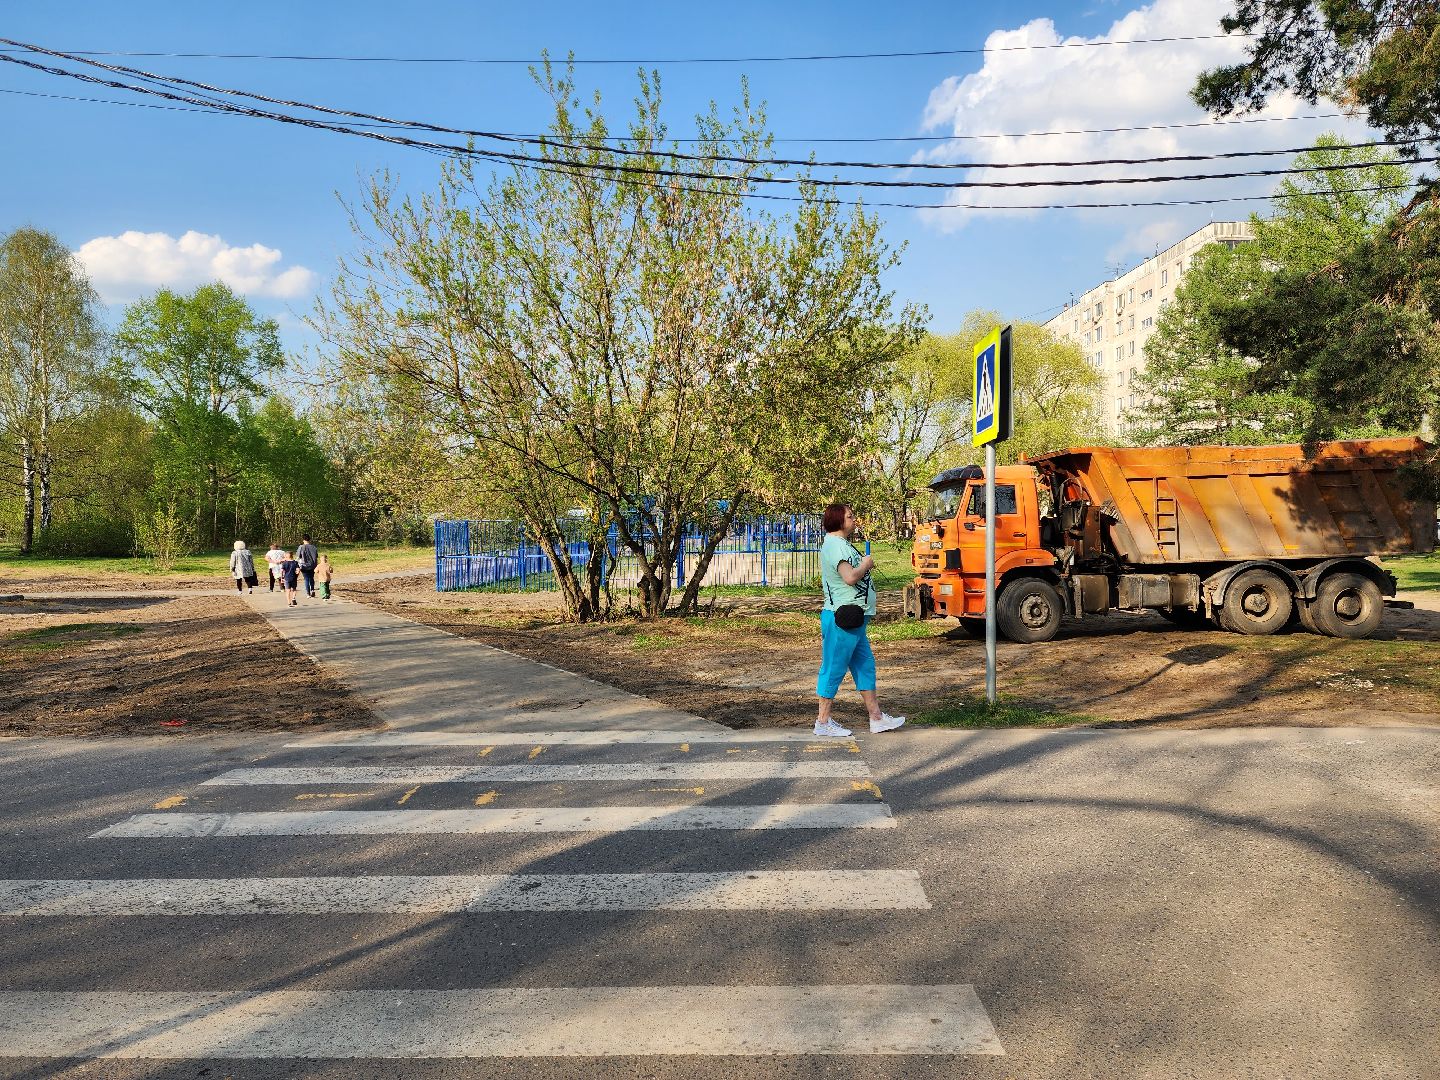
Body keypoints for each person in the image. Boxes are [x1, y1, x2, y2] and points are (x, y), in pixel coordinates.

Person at [814, 502, 905, 738]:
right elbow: (850, 577)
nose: (854, 520)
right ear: (838, 520)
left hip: (855, 619)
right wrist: (865, 563)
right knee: (833, 667)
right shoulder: (834, 545)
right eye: (850, 516)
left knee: (865, 666)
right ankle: (822, 722)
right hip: (842, 619)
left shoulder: (841, 544)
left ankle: (876, 718)